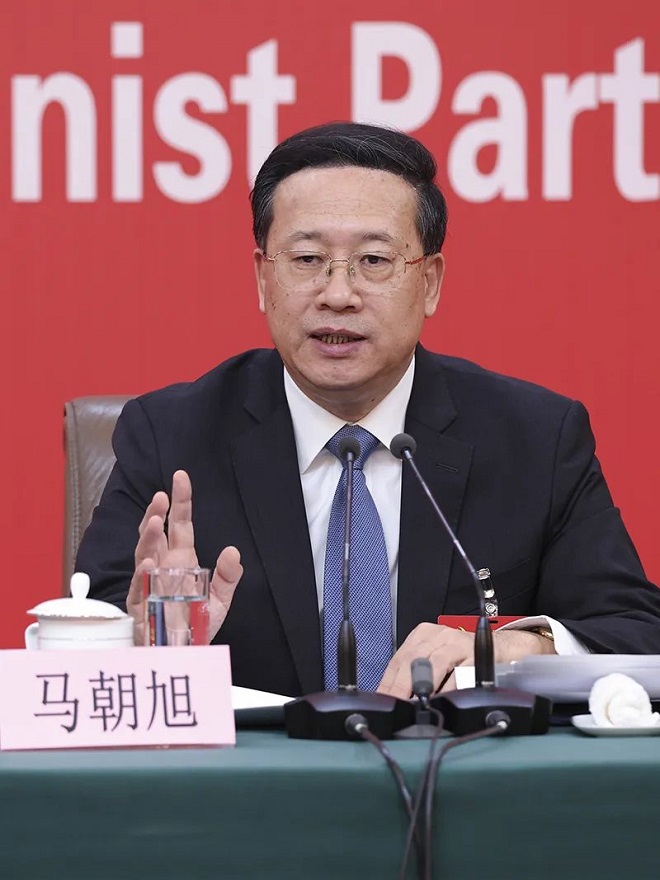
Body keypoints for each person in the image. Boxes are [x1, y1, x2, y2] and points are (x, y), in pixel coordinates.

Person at [77, 122, 660, 699]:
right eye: (307, 259)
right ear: (263, 279)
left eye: (375, 260)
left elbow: (636, 634)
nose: (338, 294)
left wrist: (514, 648)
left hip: (454, 759)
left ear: (429, 282)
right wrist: (152, 646)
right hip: (250, 763)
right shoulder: (171, 436)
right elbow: (85, 641)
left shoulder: (535, 439)